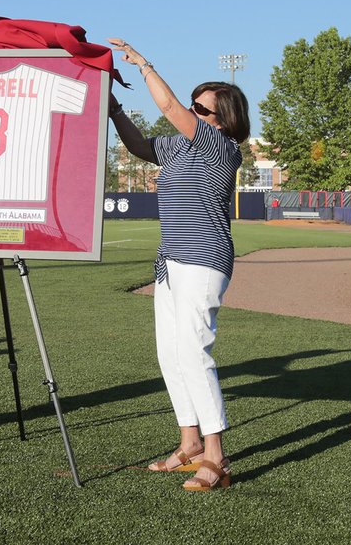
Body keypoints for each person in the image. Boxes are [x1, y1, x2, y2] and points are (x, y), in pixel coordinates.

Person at [108, 37, 250, 492]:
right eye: (193, 104)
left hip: (203, 258)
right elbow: (138, 145)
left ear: (223, 120)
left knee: (193, 353)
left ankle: (216, 456)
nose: (192, 110)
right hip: (170, 261)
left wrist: (143, 64)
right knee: (170, 354)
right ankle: (189, 442)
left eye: (201, 108)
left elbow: (168, 107)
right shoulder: (177, 146)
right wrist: (114, 109)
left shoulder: (221, 147)